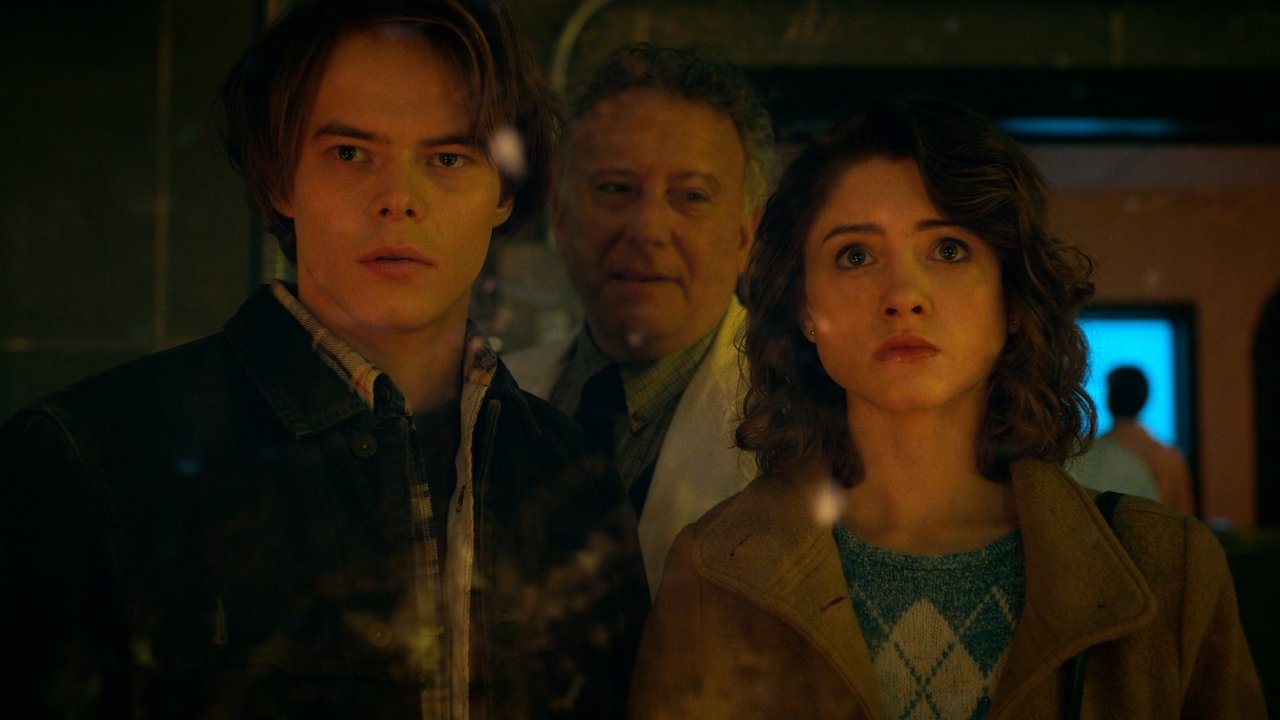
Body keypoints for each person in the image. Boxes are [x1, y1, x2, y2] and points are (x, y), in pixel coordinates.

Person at [0, 1, 649, 717]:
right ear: (280, 178)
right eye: (349, 154)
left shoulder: (574, 478)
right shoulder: (91, 462)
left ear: (503, 192)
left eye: (448, 158)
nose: (399, 199)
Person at [628, 98, 1266, 718]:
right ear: (805, 310)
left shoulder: (1169, 569)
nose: (904, 294)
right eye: (855, 255)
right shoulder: (715, 571)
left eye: (949, 250)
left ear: (1010, 297)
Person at [504, 44, 775, 595]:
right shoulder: (495, 394)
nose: (648, 228)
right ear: (561, 217)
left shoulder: (809, 423)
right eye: (615, 189)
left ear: (745, 235)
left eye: (691, 195)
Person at [1102, 365, 1197, 515]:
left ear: (1109, 399)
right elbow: (1184, 518)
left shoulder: (1089, 455)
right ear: (1144, 399)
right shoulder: (1170, 458)